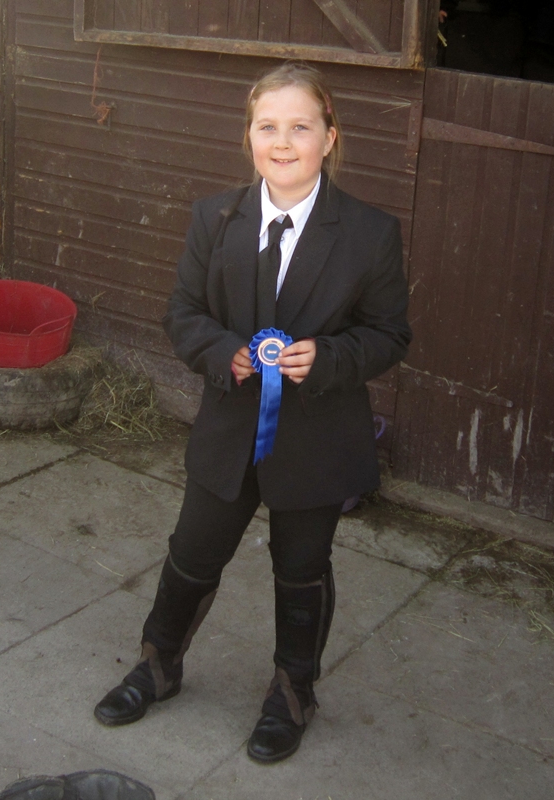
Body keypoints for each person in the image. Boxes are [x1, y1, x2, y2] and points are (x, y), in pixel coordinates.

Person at [94, 61, 412, 763]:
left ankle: (293, 694)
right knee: (191, 551)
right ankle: (157, 664)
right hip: (230, 427)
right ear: (249, 136)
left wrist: (329, 356)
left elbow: (391, 334)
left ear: (330, 137)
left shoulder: (370, 232)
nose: (283, 141)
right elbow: (184, 312)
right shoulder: (216, 217)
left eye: (301, 126)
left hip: (318, 436)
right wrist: (223, 351)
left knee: (302, 568)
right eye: (268, 126)